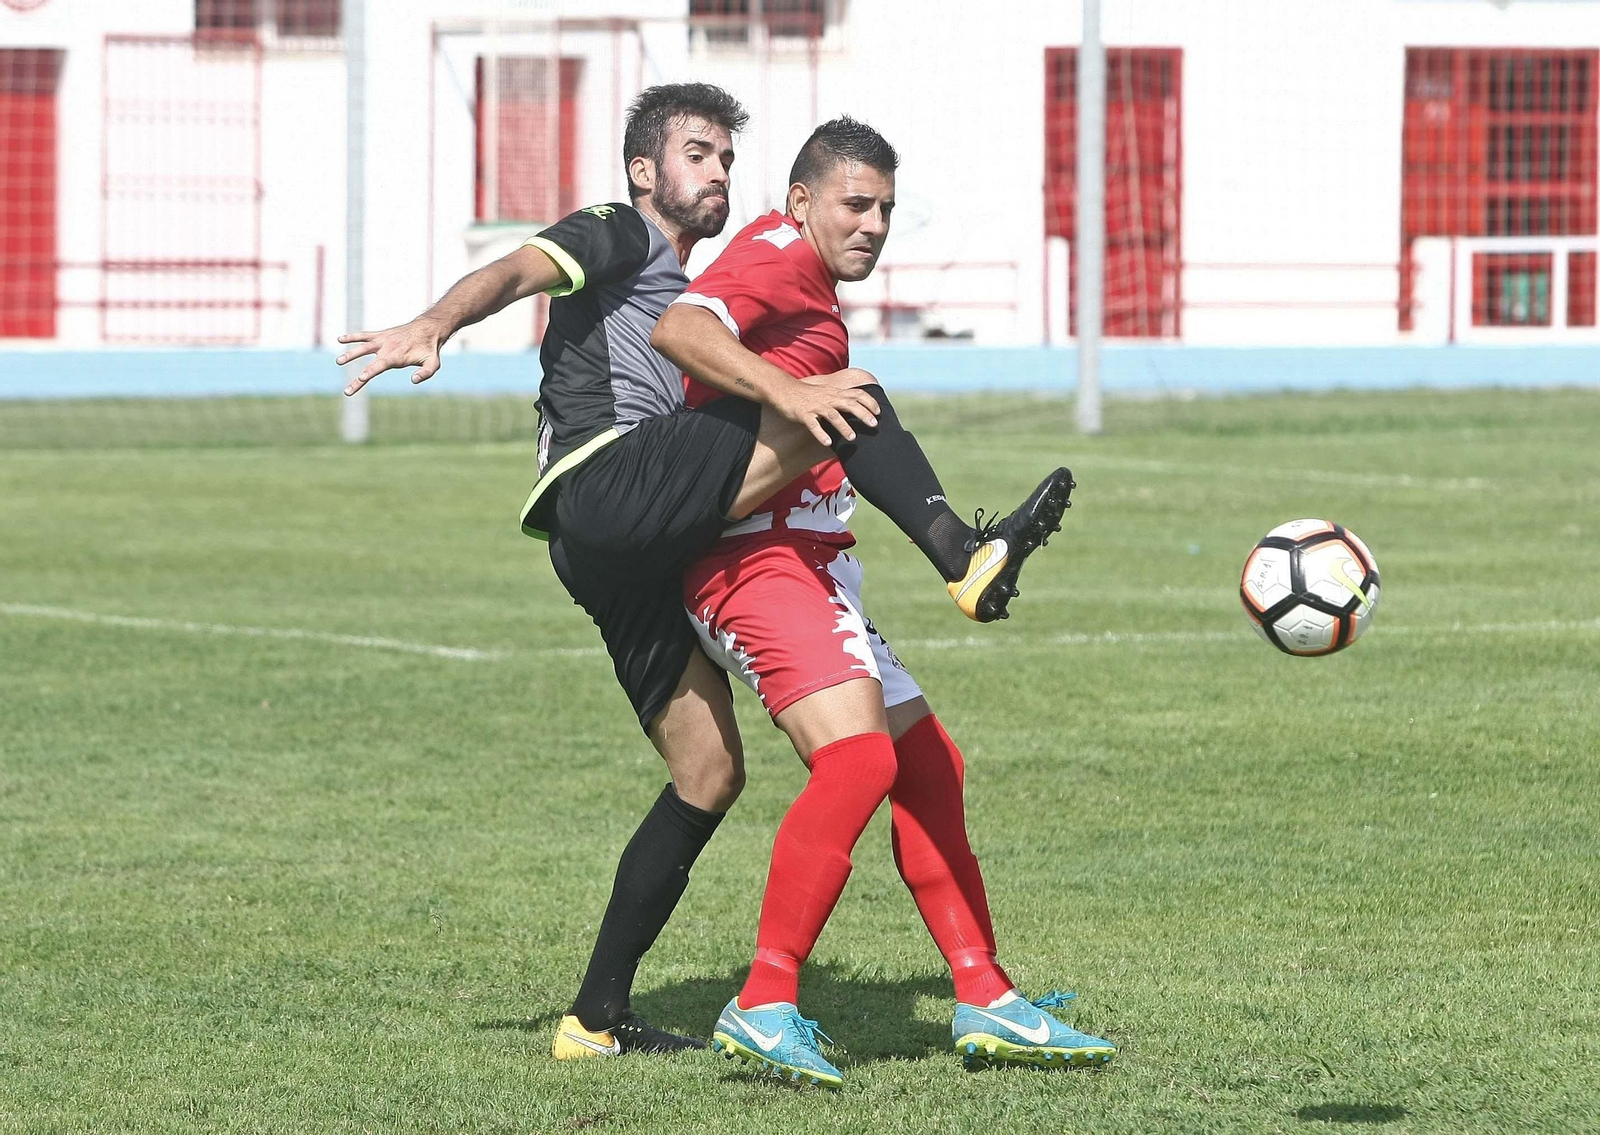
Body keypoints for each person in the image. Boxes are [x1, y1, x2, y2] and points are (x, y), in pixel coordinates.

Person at [335, 84, 1069, 1059]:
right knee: (841, 397)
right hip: (607, 483)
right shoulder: (621, 232)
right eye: (696, 153)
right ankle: (959, 554)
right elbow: (519, 267)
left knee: (710, 770)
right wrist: (436, 322)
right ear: (644, 170)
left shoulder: (710, 277)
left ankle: (593, 1019)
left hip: (628, 551)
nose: (718, 170)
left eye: (726, 155)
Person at [650, 117, 1112, 1089]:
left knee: (928, 766)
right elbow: (681, 328)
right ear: (801, 202)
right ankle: (764, 1000)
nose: (872, 224)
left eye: (886, 209)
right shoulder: (776, 250)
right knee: (858, 760)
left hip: (809, 558)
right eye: (854, 204)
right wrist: (790, 389)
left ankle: (986, 994)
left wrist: (800, 391)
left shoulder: (808, 283)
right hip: (752, 559)